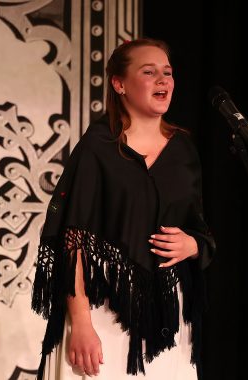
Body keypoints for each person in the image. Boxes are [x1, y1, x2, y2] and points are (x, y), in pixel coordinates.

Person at [32, 38, 216, 379]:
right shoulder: (98, 147)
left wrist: (193, 246)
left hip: (167, 315)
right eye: (149, 72)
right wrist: (82, 323)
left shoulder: (184, 150)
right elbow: (74, 238)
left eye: (168, 72)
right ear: (119, 83)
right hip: (104, 311)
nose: (163, 80)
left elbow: (200, 229)